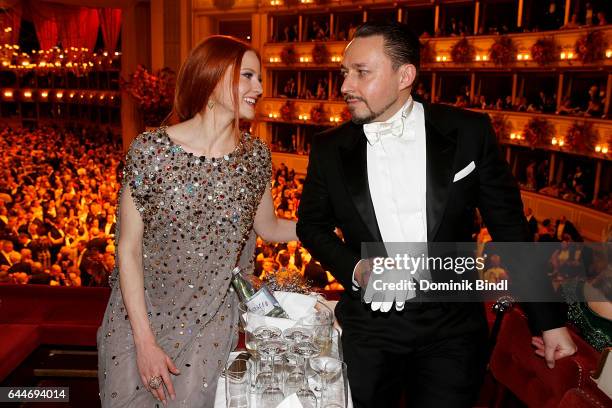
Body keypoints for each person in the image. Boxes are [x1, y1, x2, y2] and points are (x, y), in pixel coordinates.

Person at [296, 22, 576, 408]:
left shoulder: (468, 132)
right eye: (346, 73)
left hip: (452, 330)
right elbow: (311, 225)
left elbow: (510, 229)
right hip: (370, 330)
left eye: (361, 72)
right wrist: (358, 269)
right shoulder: (328, 148)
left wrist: (549, 320)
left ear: (404, 75)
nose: (345, 86)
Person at [97, 35, 297, 407]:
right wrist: (144, 341)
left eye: (259, 78)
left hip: (208, 322)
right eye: (249, 76)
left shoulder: (255, 157)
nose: (260, 87)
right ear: (213, 78)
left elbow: (269, 227)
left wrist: (331, 225)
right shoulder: (151, 151)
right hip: (136, 317)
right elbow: (127, 250)